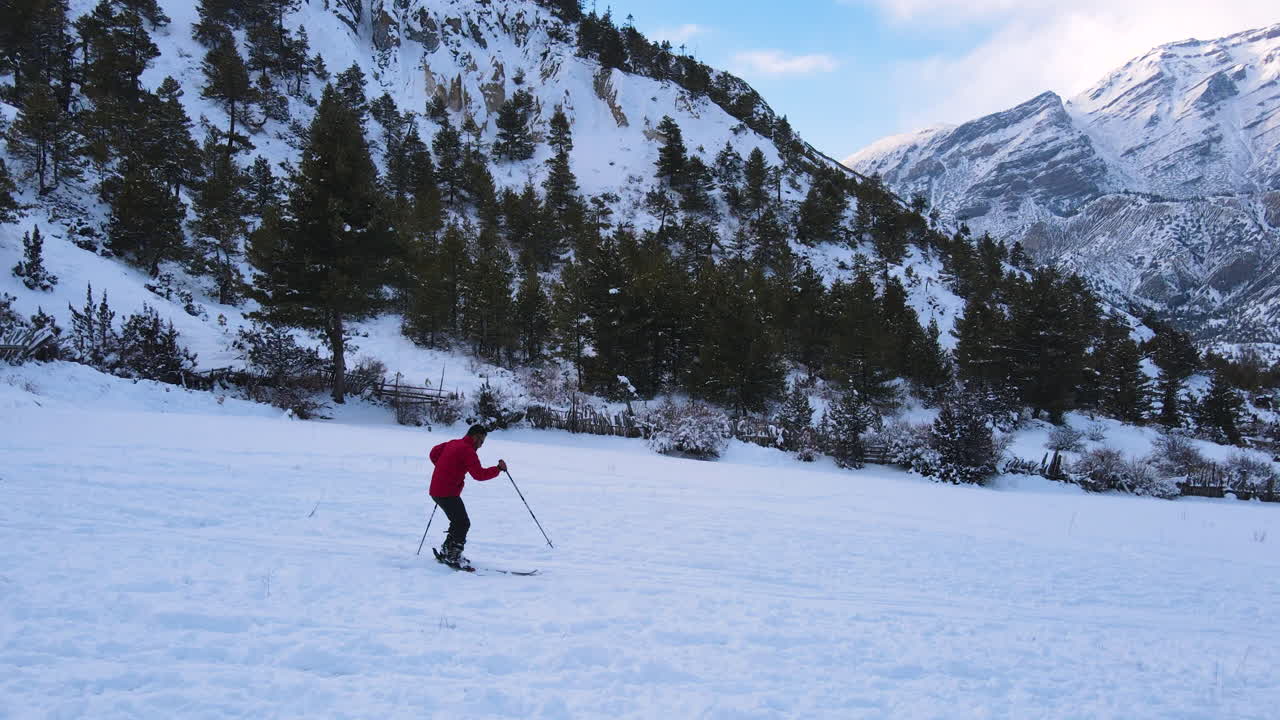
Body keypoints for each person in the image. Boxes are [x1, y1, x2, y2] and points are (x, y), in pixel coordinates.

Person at [428, 424, 507, 569]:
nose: (481, 445)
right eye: (481, 441)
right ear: (475, 437)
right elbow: (479, 475)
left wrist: (445, 469)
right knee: (463, 523)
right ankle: (453, 555)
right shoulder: (468, 451)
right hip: (447, 492)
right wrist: (498, 469)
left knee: (457, 521)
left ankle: (448, 550)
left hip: (436, 490)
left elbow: (434, 453)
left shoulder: (453, 443)